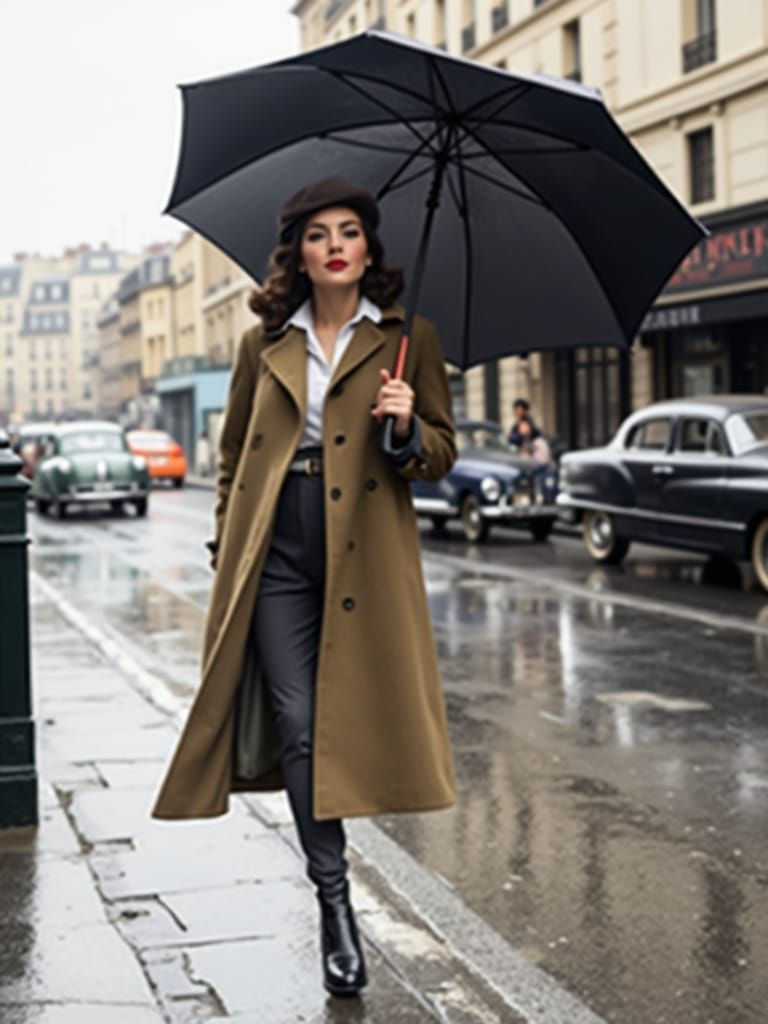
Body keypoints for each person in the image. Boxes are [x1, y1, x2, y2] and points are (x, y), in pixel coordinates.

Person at [150, 177, 458, 998]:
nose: (335, 246)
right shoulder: (265, 341)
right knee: (297, 722)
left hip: (363, 541)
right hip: (278, 544)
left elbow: (440, 452)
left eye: (349, 231)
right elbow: (232, 455)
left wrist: (407, 426)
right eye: (318, 234)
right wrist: (230, 542)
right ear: (298, 252)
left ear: (368, 246)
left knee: (347, 717)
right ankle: (334, 902)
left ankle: (333, 898)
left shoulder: (408, 337)